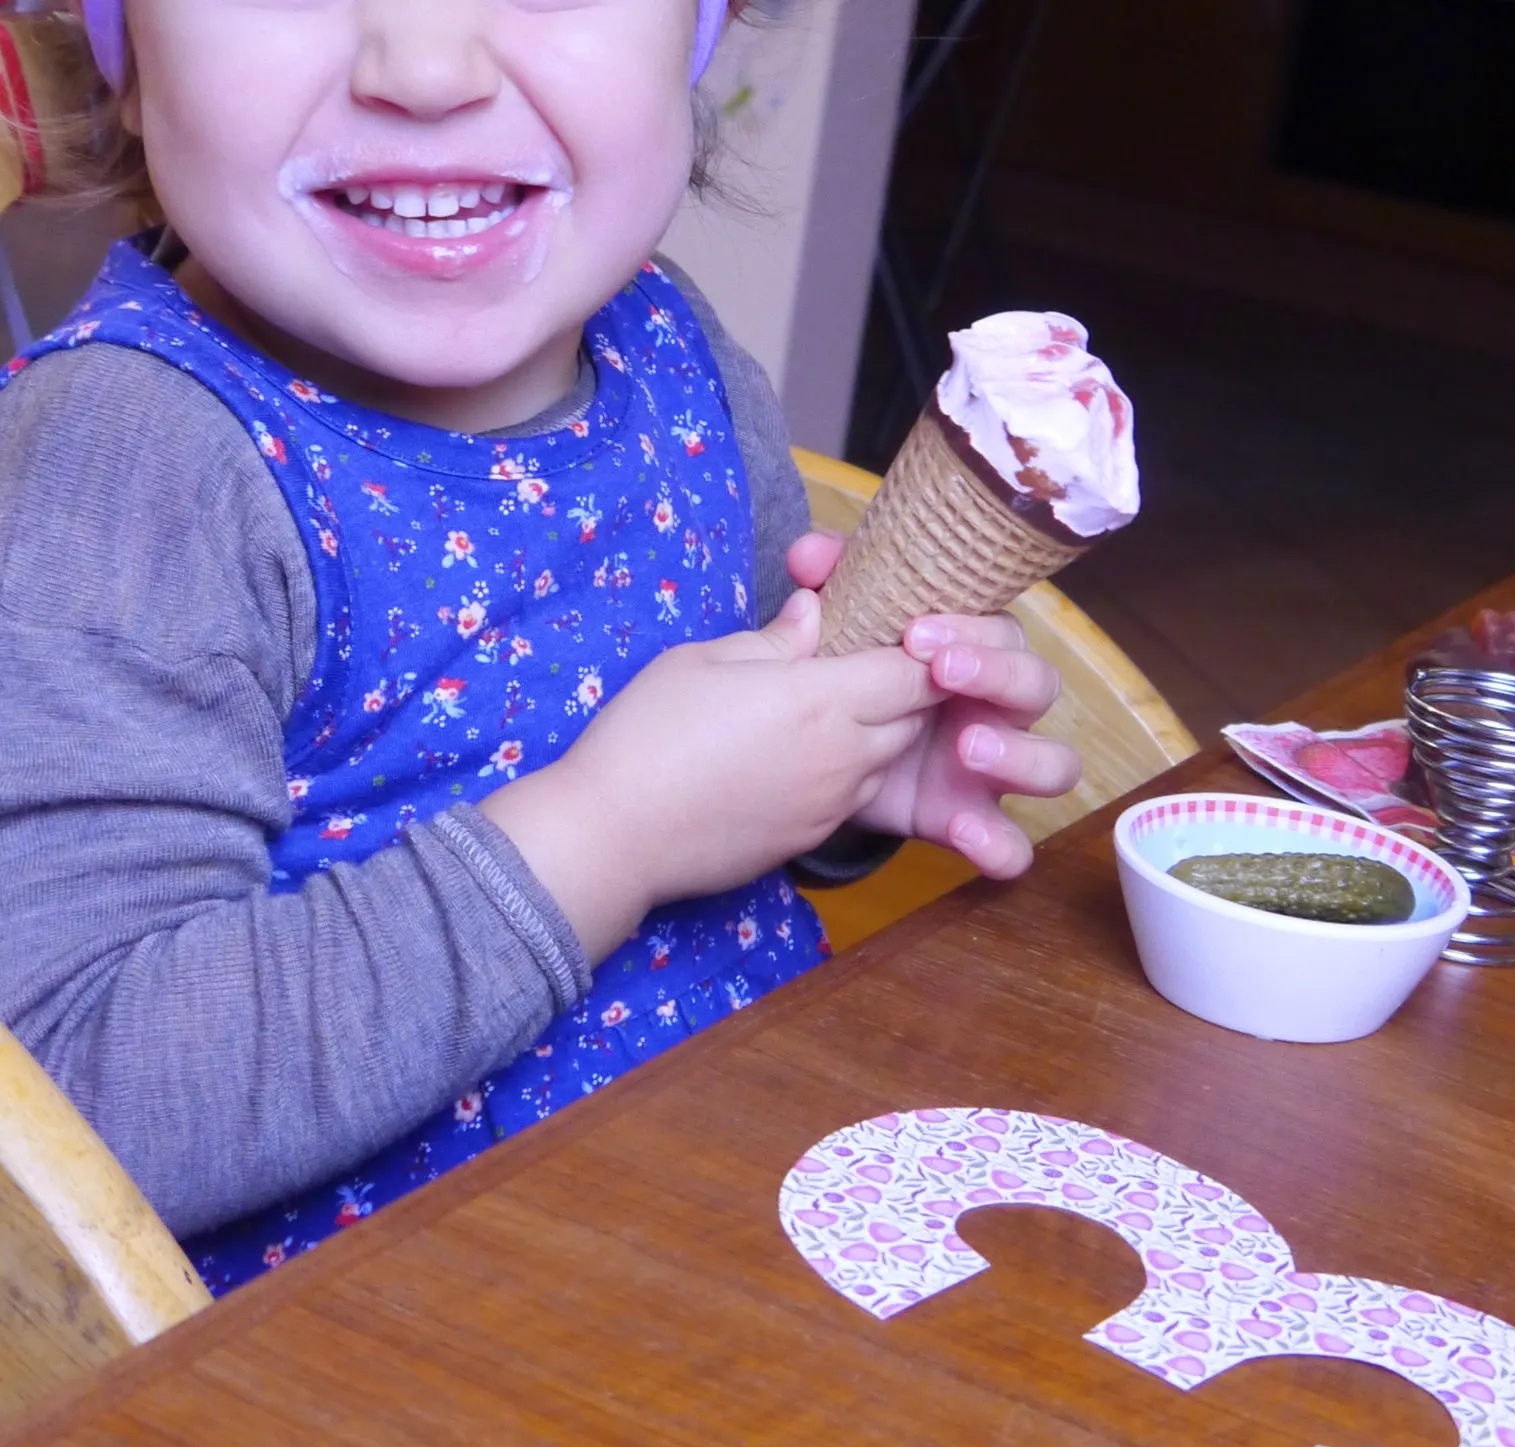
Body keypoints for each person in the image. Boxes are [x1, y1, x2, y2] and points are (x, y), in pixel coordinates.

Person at [0, 0, 1081, 1292]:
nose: (424, 64)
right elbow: (77, 1111)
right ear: (119, 61)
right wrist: (608, 832)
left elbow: (728, 806)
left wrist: (847, 777)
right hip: (357, 1404)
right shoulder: (129, 471)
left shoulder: (675, 353)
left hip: (738, 1263)